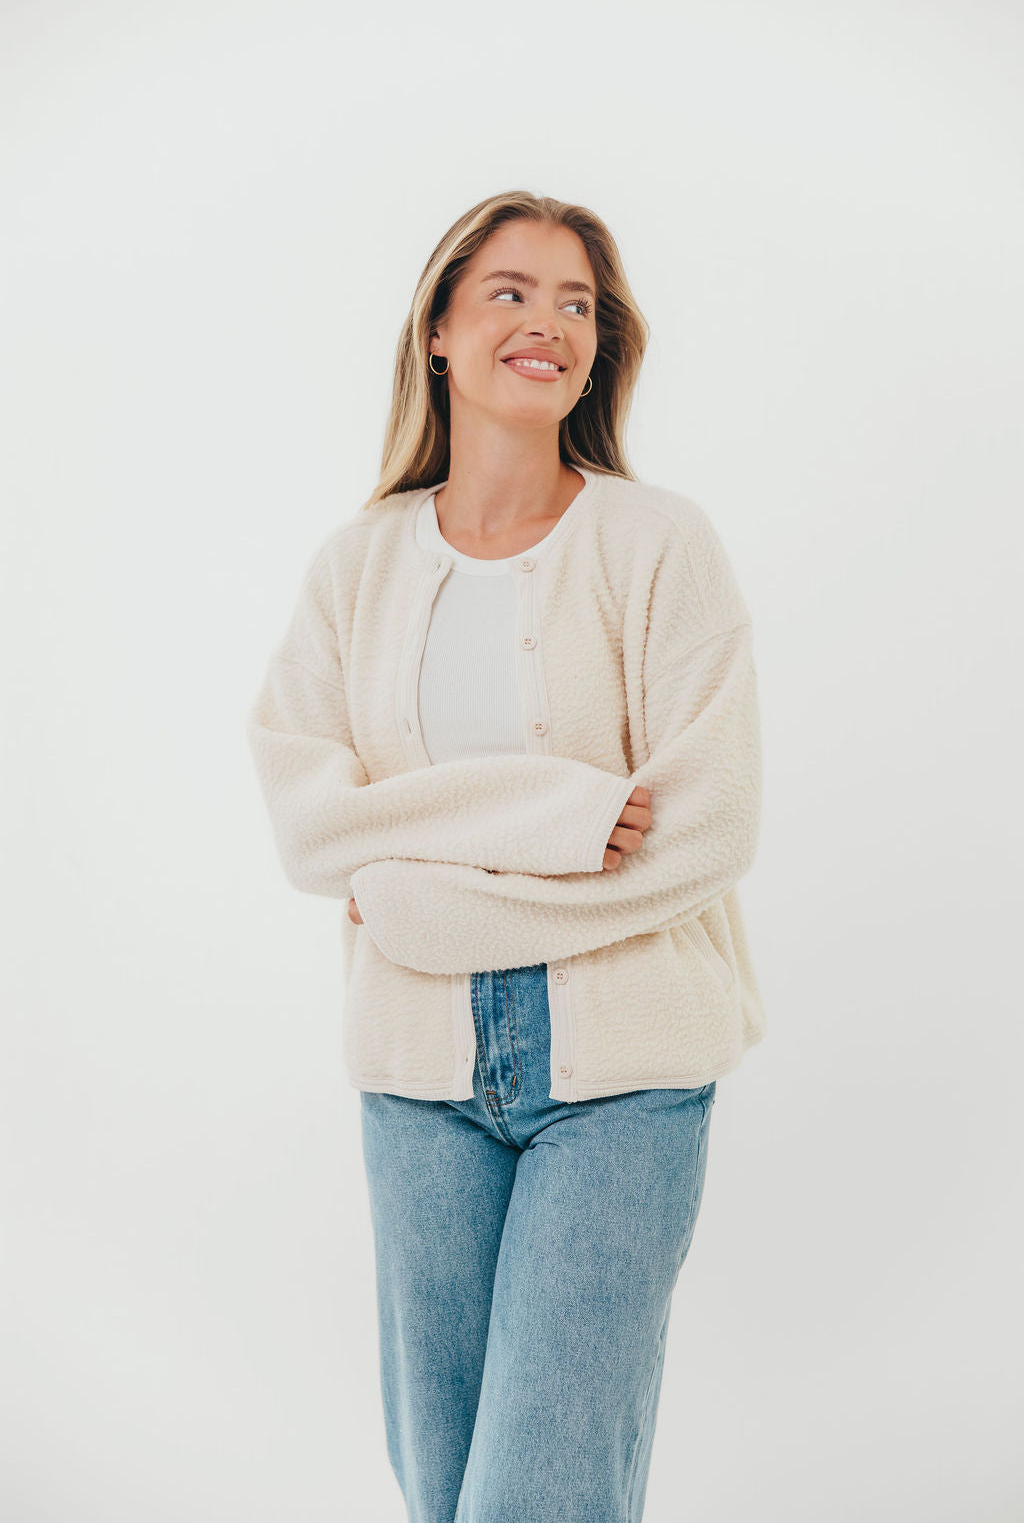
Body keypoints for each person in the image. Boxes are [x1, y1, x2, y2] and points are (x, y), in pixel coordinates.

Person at [246, 189, 765, 1523]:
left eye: (577, 302)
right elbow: (312, 828)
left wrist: (416, 900)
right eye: (512, 292)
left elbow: (707, 827)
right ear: (437, 330)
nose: (550, 323)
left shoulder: (659, 545)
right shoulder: (355, 568)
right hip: (416, 1082)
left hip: (625, 1083)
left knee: (539, 1498)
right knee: (445, 1492)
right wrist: (560, 820)